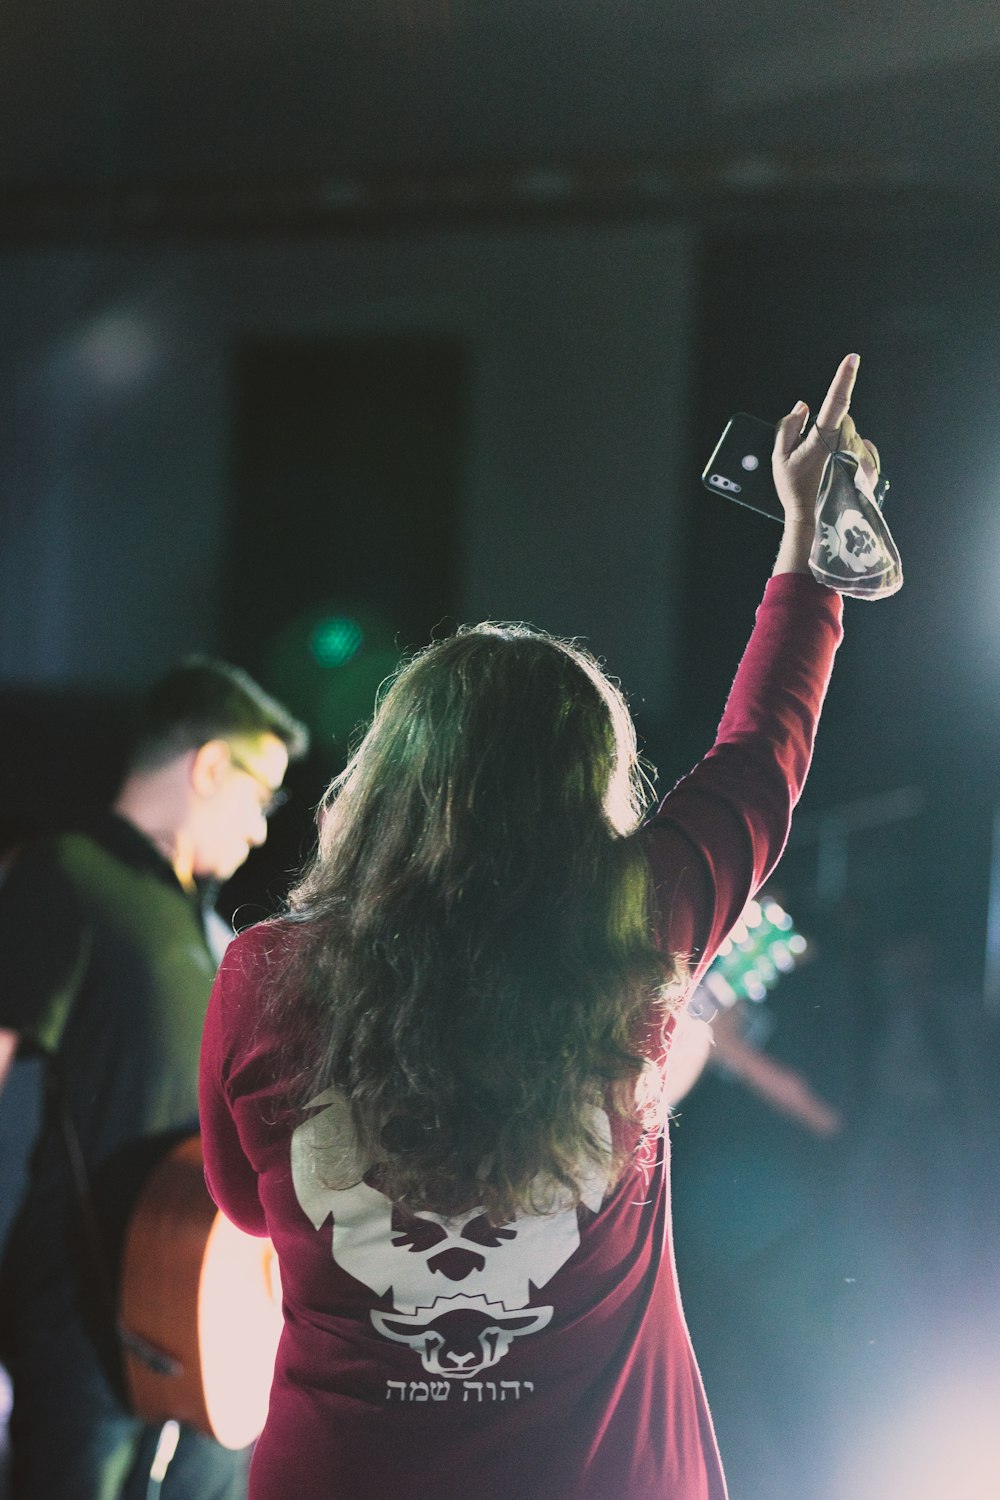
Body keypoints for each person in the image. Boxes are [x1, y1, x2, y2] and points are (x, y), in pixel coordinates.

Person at [199, 354, 878, 1500]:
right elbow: (762, 755)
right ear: (586, 790)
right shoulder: (639, 924)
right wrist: (810, 540)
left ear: (385, 778)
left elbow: (237, 1202)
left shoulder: (270, 972)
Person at [0, 657, 309, 1500]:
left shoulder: (200, 925)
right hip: (83, 1304)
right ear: (209, 765)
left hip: (200, 1318)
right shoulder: (68, 872)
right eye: (261, 796)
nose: (257, 830)